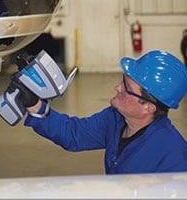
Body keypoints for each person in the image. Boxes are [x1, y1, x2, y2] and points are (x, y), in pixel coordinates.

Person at [20, 50, 187, 174]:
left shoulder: (173, 155)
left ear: (148, 107)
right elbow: (74, 133)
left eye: (127, 88)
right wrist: (35, 105)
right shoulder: (115, 119)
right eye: (123, 80)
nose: (117, 87)